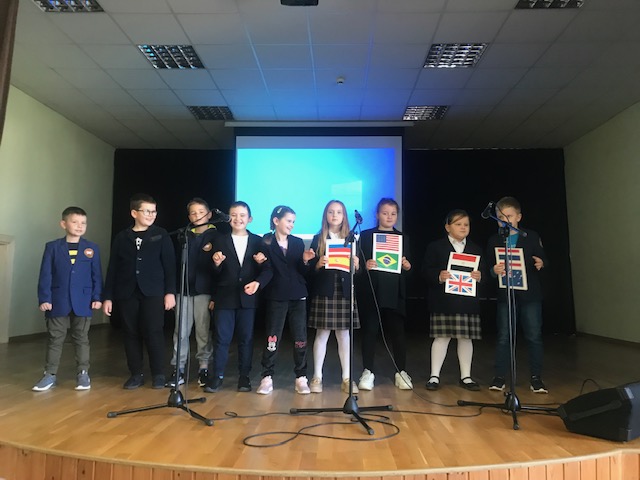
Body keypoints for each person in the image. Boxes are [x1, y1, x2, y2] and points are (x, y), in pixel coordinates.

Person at [102, 193, 176, 390]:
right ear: (134, 213)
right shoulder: (122, 237)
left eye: (154, 211)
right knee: (130, 332)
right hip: (127, 292)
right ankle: (136, 373)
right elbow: (113, 268)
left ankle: (158, 373)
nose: (151, 215)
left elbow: (169, 266)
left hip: (153, 291)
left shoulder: (161, 234)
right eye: (147, 211)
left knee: (154, 331)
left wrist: (170, 292)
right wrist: (108, 297)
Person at [203, 201, 271, 393]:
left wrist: (258, 282)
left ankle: (244, 377)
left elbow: (268, 269)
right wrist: (216, 264)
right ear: (228, 218)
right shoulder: (220, 240)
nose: (238, 219)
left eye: (242, 215)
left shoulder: (258, 241)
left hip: (248, 298)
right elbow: (212, 273)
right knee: (221, 338)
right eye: (233, 215)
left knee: (246, 339)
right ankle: (217, 376)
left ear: (250, 219)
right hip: (224, 297)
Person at [33, 206, 103, 391]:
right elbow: (46, 274)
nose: (80, 226)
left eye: (83, 223)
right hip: (57, 300)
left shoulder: (91, 248)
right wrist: (44, 298)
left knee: (81, 338)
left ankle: (83, 373)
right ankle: (50, 374)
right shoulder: (53, 247)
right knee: (55, 338)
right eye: (75, 222)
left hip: (83, 301)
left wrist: (97, 297)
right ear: (63, 224)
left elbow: (96, 275)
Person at [486, 196, 548, 394]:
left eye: (509, 216)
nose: (505, 220)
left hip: (530, 295)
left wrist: (541, 263)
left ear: (518, 217)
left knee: (533, 336)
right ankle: (499, 377)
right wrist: (493, 270)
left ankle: (536, 378)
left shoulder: (531, 236)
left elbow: (543, 260)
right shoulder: (494, 240)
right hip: (506, 294)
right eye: (500, 217)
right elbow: (488, 268)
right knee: (504, 336)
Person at [422, 209, 484, 391]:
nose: (463, 227)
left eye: (466, 224)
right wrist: (438, 275)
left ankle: (466, 376)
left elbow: (485, 274)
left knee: (466, 338)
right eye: (458, 224)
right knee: (441, 337)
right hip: (443, 300)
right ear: (447, 227)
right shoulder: (435, 247)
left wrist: (480, 276)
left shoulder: (476, 249)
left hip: (467, 301)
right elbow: (425, 270)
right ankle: (434, 376)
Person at [256, 205, 315, 395]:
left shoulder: (297, 242)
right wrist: (259, 263)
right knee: (272, 336)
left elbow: (302, 271)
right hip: (276, 295)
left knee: (300, 337)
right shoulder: (265, 242)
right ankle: (267, 376)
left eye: (293, 222)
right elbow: (266, 269)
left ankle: (301, 377)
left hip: (298, 295)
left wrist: (305, 260)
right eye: (288, 221)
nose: (291, 225)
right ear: (276, 221)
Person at [355, 197, 413, 391]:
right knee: (370, 332)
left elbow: (408, 268)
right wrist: (366, 265)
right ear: (377, 214)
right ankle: (368, 371)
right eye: (385, 213)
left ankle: (401, 372)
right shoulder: (366, 236)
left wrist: (407, 266)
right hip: (372, 291)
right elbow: (358, 267)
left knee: (398, 333)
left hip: (395, 292)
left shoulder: (403, 237)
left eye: (393, 213)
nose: (389, 217)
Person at [307, 200, 360, 394]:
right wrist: (317, 264)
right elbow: (309, 270)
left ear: (344, 216)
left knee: (344, 335)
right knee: (322, 334)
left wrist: (357, 265)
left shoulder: (352, 238)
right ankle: (317, 377)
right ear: (325, 215)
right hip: (325, 290)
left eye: (338, 212)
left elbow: (357, 272)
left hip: (344, 291)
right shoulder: (318, 238)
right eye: (331, 212)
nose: (335, 215)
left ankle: (347, 378)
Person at [165, 198, 217, 388]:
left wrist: (215, 296)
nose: (197, 216)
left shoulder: (216, 236)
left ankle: (204, 368)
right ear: (189, 217)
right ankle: (178, 368)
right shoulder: (184, 235)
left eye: (201, 212)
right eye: (193, 213)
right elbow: (174, 264)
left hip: (204, 291)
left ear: (209, 214)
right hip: (183, 290)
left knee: (203, 331)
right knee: (180, 331)